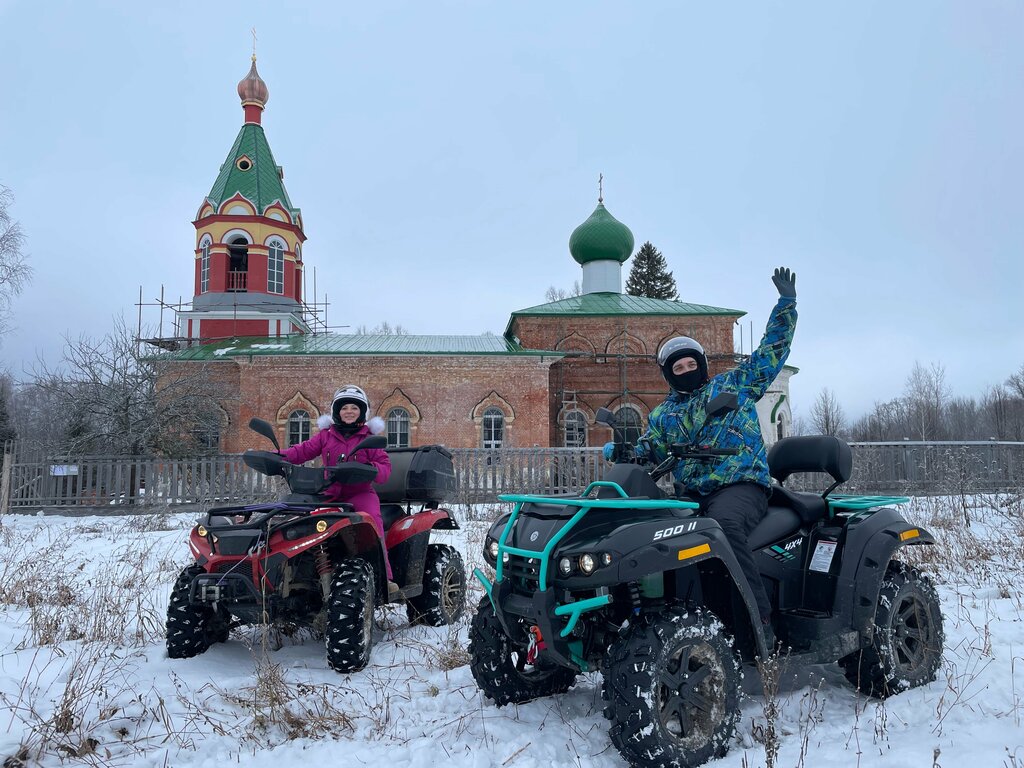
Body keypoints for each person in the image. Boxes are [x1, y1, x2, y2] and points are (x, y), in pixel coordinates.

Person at [604, 267, 797, 634]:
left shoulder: (735, 385)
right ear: (669, 375)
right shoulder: (664, 414)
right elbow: (649, 450)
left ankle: (758, 621)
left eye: (693, 364)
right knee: (651, 536)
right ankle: (662, 618)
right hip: (690, 493)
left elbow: (770, 354)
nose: (687, 370)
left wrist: (786, 305)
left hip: (739, 486)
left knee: (721, 528)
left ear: (704, 365)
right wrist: (622, 451)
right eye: (679, 367)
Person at [280, 385, 398, 595]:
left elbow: (385, 469)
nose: (349, 411)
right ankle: (299, 574)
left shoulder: (368, 438)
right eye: (344, 408)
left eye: (354, 407)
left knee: (372, 520)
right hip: (328, 494)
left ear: (362, 412)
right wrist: (278, 456)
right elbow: (303, 451)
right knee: (299, 520)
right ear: (337, 411)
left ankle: (384, 578)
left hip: (359, 493)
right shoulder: (326, 436)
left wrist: (370, 469)